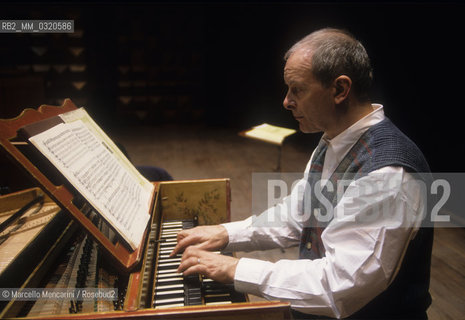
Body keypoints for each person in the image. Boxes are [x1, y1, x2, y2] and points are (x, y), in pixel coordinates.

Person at [170, 28, 433, 319]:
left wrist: (234, 268)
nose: (286, 101)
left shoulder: (387, 174)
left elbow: (339, 286)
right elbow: (300, 215)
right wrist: (226, 234)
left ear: (340, 90)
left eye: (297, 89)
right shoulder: (335, 138)